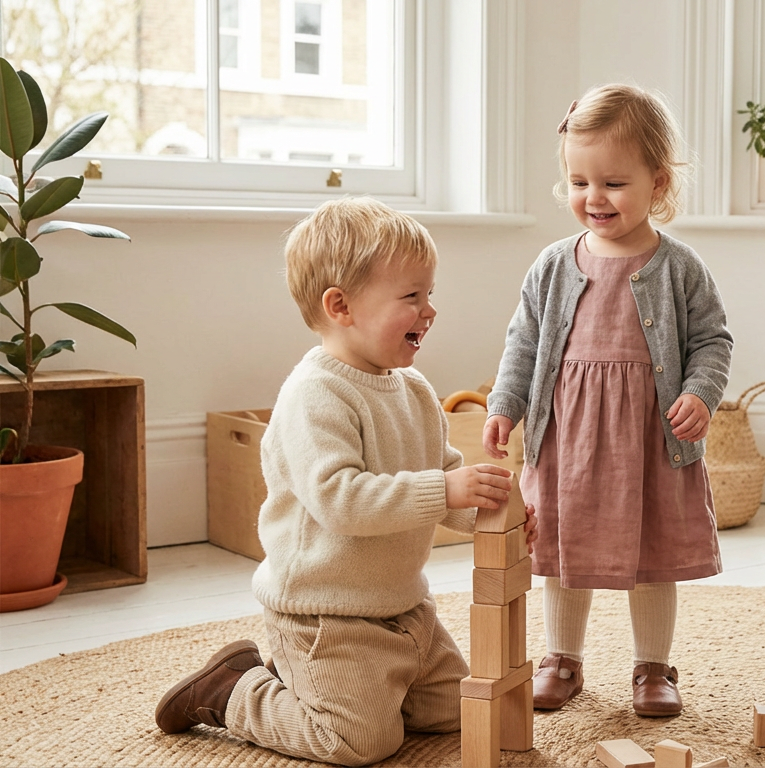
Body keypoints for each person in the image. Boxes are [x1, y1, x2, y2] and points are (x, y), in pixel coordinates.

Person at [153, 197, 534, 766]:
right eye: (411, 296)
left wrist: (501, 513)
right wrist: (445, 490)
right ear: (341, 306)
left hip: (404, 610)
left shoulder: (414, 391)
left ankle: (347, 689)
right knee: (359, 744)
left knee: (460, 708)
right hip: (326, 616)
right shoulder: (315, 395)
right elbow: (341, 500)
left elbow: (448, 477)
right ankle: (234, 689)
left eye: (430, 293)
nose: (430, 310)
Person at [483, 84, 732, 718]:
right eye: (578, 182)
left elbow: (711, 340)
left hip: (650, 442)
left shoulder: (679, 267)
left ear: (658, 182)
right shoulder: (551, 265)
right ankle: (561, 656)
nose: (593, 198)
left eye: (613, 183)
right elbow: (524, 343)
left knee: (652, 555)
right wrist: (504, 406)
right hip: (567, 439)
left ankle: (653, 665)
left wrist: (700, 394)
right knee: (562, 548)